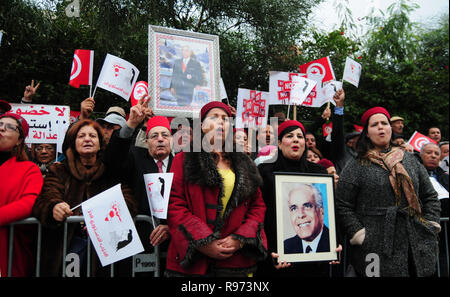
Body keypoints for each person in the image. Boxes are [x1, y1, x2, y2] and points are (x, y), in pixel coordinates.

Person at [165, 101, 268, 276]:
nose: (221, 122)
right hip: (194, 260)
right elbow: (174, 205)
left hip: (235, 259)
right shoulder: (183, 159)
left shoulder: (245, 162)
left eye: (226, 119)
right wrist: (203, 242)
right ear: (202, 125)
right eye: (214, 117)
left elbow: (257, 206)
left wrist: (239, 239)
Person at [336, 106, 441, 277]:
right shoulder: (356, 166)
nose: (380, 127)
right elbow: (343, 204)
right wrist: (359, 233)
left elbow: (430, 196)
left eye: (384, 123)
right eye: (374, 124)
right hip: (374, 245)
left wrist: (431, 223)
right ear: (367, 133)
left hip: (415, 240)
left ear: (390, 128)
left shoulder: (411, 161)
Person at [31, 119, 136, 276]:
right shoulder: (59, 171)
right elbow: (46, 197)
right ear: (73, 143)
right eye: (81, 136)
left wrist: (105, 218)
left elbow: (128, 200)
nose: (87, 139)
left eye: (92, 136)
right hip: (66, 250)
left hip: (106, 253)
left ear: (100, 144)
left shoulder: (110, 172)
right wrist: (54, 206)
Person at [257, 120, 341, 277]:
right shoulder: (264, 172)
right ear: (280, 143)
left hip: (315, 265)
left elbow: (332, 211)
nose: (296, 139)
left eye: (300, 136)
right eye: (290, 136)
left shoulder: (319, 172)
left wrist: (334, 243)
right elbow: (257, 215)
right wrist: (267, 250)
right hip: (275, 259)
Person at [0, 112, 43, 277]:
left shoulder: (28, 169)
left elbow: (29, 202)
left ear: (19, 140)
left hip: (8, 250)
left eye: (9, 127)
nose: (2, 129)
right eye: (0, 124)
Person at [284, 184, 330, 254]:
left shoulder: (334, 243)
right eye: (294, 208)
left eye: (307, 206)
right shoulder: (286, 247)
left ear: (321, 212)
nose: (300, 215)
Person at [420, 142, 448, 217]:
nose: (433, 156)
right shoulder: (413, 175)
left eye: (437, 154)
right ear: (420, 156)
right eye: (429, 153)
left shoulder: (446, 177)